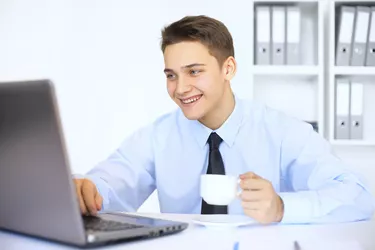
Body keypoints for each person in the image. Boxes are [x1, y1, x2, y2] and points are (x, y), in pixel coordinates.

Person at [74, 15, 375, 224]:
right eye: (171, 75)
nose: (180, 88)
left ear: (228, 69)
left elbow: (359, 197)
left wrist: (282, 207)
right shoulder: (158, 136)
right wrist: (88, 189)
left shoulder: (283, 132)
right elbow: (112, 181)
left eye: (194, 71)